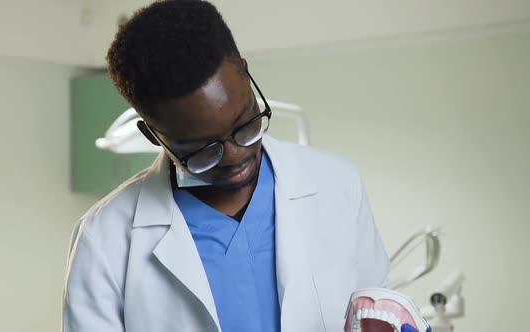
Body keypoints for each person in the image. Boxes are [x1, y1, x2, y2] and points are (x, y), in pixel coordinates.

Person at [62, 1, 425, 331]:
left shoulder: (336, 186)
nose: (236, 156)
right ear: (152, 134)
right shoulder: (106, 240)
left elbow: (376, 309)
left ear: (247, 77)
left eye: (246, 124)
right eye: (204, 150)